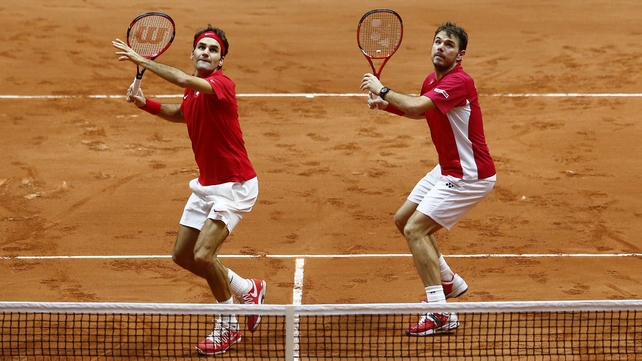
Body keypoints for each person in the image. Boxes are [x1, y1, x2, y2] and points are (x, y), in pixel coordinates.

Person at [112, 25, 266, 355]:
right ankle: (247, 288)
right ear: (193, 53)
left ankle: (228, 325)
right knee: (182, 255)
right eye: (202, 48)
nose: (207, 52)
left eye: (213, 50)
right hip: (207, 185)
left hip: (235, 186)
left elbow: (183, 80)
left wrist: (143, 61)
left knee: (203, 255)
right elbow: (182, 113)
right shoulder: (193, 93)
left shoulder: (220, 85)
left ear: (220, 60)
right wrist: (145, 103)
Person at [360, 22, 496, 336]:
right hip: (447, 168)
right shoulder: (432, 80)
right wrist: (386, 106)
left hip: (469, 174)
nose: (440, 48)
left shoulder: (460, 81)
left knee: (415, 230)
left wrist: (382, 89)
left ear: (460, 55)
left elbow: (418, 104)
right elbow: (423, 112)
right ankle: (448, 279)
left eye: (448, 45)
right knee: (403, 218)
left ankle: (440, 312)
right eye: (437, 42)